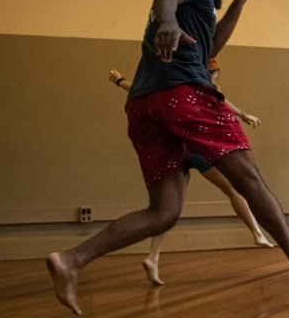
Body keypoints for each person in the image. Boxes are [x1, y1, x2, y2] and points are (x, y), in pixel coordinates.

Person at [47, 0, 289, 315]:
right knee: (251, 182)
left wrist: (240, 2)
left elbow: (211, 46)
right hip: (185, 97)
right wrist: (167, 22)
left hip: (144, 105)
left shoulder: (203, 5)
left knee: (163, 212)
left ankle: (72, 260)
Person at [107, 66, 273, 286]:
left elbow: (140, 92)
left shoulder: (173, 89)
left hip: (177, 151)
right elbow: (222, 102)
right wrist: (243, 115)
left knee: (169, 210)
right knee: (232, 189)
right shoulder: (196, 88)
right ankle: (257, 232)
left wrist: (119, 81)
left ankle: (153, 257)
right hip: (195, 151)